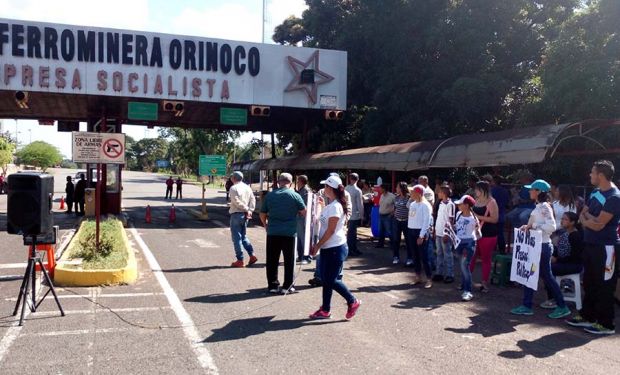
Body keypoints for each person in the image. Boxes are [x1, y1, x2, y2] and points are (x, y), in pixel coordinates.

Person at [567, 160, 620, 335]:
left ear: (601, 175)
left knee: (604, 285)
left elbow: (598, 225)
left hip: (606, 248)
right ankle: (587, 316)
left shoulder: (614, 197)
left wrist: (589, 219)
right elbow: (583, 216)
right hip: (590, 245)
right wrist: (592, 219)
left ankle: (606, 324)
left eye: (592, 172)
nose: (590, 175)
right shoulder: (595, 192)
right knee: (589, 282)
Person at [510, 179, 571, 319]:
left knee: (545, 276)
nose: (530, 191)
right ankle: (528, 305)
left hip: (542, 246)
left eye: (532, 189)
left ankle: (561, 306)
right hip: (537, 246)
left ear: (539, 192)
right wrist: (527, 227)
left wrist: (533, 225)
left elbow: (551, 227)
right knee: (531, 275)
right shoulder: (540, 206)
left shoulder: (544, 207)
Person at [309, 175, 361, 320]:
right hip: (329, 248)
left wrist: (318, 245)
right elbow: (321, 221)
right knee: (326, 279)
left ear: (330, 188)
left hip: (335, 248)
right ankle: (325, 309)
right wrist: (319, 206)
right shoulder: (331, 205)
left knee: (331, 280)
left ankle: (352, 301)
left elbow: (331, 230)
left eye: (325, 186)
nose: (323, 189)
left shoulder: (336, 206)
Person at [260, 173, 306, 294]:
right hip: (289, 233)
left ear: (279, 182)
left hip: (273, 232)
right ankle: (287, 286)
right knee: (289, 260)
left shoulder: (270, 195)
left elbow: (262, 213)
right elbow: (303, 211)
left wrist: (266, 225)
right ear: (290, 183)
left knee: (272, 260)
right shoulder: (295, 195)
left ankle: (272, 285)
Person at [540, 212, 584, 309]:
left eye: (565, 219)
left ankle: (555, 298)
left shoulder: (575, 236)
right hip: (563, 262)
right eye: (562, 219)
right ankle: (552, 296)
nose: (562, 221)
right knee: (544, 267)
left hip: (573, 265)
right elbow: (559, 249)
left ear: (572, 222)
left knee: (548, 270)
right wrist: (553, 256)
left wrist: (557, 260)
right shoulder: (564, 233)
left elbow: (575, 256)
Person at [469, 180, 499, 293]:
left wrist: (478, 216)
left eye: (476, 189)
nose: (475, 191)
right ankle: (467, 280)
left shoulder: (492, 202)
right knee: (471, 256)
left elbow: (495, 219)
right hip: (475, 233)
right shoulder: (476, 200)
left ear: (482, 190)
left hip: (488, 234)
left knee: (486, 259)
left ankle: (484, 283)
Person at [228, 171, 257, 268]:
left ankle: (240, 260)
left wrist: (246, 209)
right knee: (243, 236)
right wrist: (250, 210)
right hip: (246, 215)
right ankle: (252, 255)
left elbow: (236, 201)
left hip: (237, 214)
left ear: (234, 178)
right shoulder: (247, 187)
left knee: (236, 238)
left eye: (232, 177)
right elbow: (253, 199)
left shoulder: (233, 188)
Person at [453, 195, 479, 301]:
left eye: (461, 204)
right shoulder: (458, 214)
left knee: (465, 265)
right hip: (459, 243)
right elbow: (457, 227)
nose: (458, 205)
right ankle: (464, 285)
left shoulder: (473, 219)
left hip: (469, 244)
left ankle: (468, 291)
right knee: (463, 265)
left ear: (467, 205)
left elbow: (476, 233)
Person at [408, 185, 433, 288]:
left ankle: (429, 279)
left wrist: (421, 236)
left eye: (412, 192)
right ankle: (418, 276)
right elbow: (411, 218)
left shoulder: (426, 205)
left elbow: (426, 222)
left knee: (424, 256)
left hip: (421, 232)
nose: (411, 194)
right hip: (411, 230)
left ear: (418, 193)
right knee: (415, 255)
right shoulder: (413, 204)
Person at [434, 185, 455, 283]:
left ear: (444, 193)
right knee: (439, 253)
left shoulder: (450, 204)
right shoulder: (441, 203)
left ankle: (449, 274)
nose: (438, 193)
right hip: (438, 232)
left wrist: (447, 233)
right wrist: (435, 230)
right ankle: (439, 273)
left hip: (445, 233)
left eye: (439, 192)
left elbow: (451, 220)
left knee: (447, 254)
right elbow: (439, 218)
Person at [391, 182, 411, 265]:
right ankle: (396, 257)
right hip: (397, 221)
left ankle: (410, 258)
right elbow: (395, 208)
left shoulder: (409, 198)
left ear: (402, 188)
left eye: (397, 187)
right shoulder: (396, 197)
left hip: (406, 221)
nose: (396, 188)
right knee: (396, 240)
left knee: (408, 240)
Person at [489, 175, 510, 252]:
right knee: (500, 234)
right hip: (502, 215)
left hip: (493, 215)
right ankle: (502, 250)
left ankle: (492, 249)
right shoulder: (505, 191)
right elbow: (508, 202)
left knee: (492, 233)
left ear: (494, 182)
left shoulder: (492, 191)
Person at [345, 173, 364, 256]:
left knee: (350, 232)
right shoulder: (357, 190)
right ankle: (351, 249)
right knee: (352, 233)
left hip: (347, 213)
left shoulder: (346, 188)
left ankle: (352, 248)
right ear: (358, 179)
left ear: (350, 179)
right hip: (354, 214)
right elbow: (360, 204)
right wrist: (362, 215)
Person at [296, 175, 313, 264]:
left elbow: (305, 205)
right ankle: (300, 255)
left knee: (304, 238)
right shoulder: (302, 190)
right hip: (299, 217)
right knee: (299, 237)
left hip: (303, 217)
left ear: (301, 181)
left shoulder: (306, 190)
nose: (297, 182)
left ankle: (307, 257)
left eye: (298, 180)